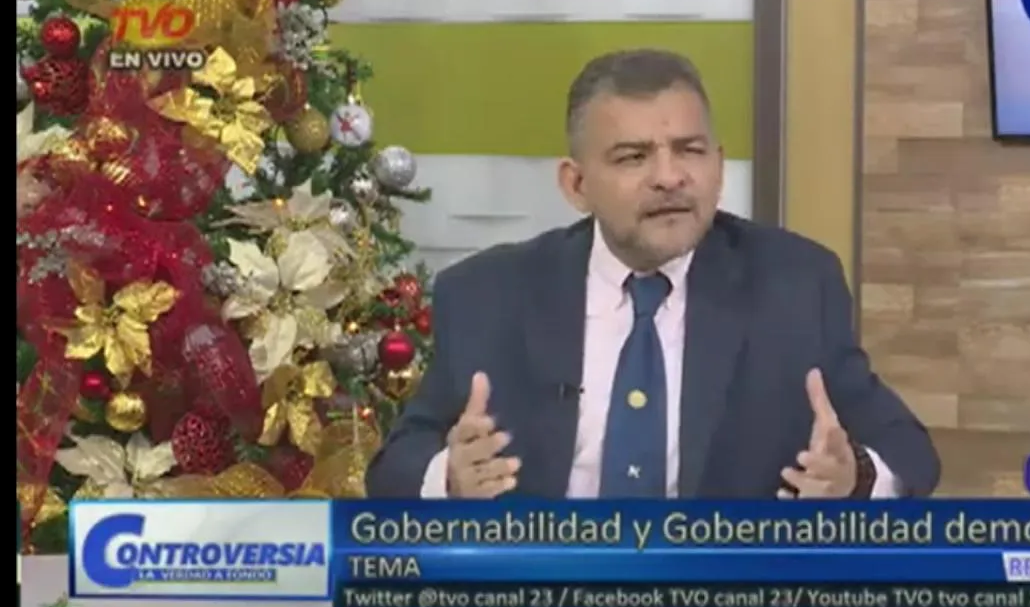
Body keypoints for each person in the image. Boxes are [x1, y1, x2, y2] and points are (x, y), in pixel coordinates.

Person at [366, 49, 940, 500]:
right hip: (546, 593)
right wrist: (449, 477)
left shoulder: (795, 284)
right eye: (633, 157)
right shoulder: (489, 294)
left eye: (689, 151)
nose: (670, 177)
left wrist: (855, 477)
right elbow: (394, 466)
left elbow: (910, 453)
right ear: (576, 185)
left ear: (718, 166)